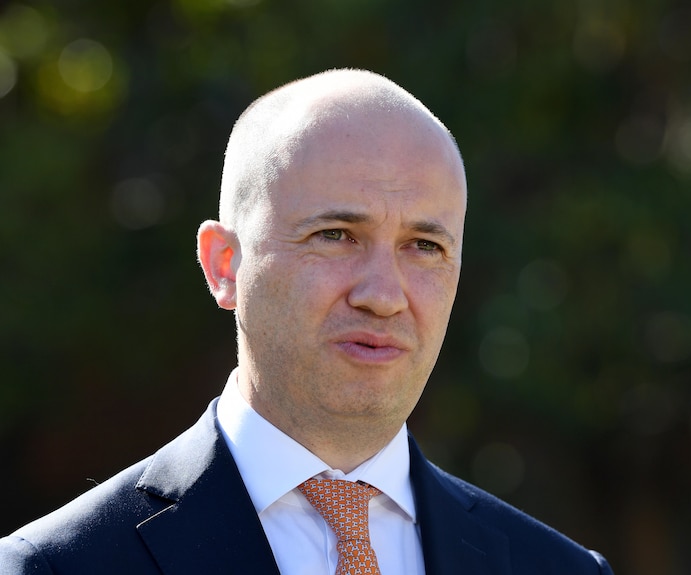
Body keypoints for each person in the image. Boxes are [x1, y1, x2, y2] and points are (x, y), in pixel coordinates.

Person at [0, 69, 613, 574]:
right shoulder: (58, 568)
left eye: (424, 246)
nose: (384, 295)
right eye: (337, 235)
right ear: (224, 264)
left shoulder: (559, 569)